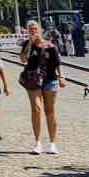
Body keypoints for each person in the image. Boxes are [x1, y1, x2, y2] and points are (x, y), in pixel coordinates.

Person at [19, 20, 62, 154]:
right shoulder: (27, 44)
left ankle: (52, 143)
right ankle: (37, 142)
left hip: (50, 80)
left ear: (40, 30)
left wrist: (62, 77)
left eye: (35, 29)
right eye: (30, 29)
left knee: (50, 111)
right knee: (36, 109)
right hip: (33, 81)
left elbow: (58, 63)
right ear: (27, 31)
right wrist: (30, 44)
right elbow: (23, 59)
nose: (33, 31)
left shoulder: (50, 45)